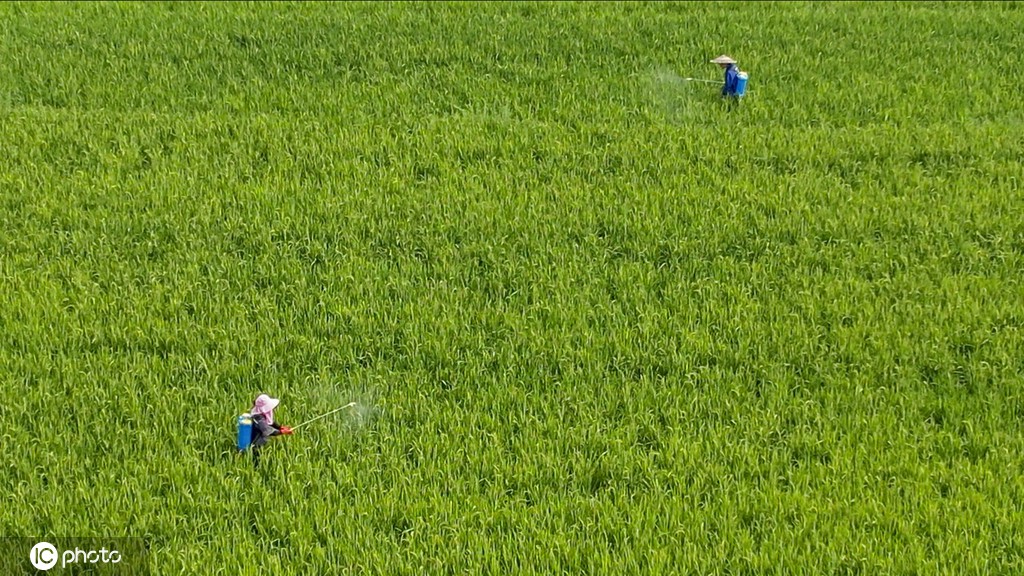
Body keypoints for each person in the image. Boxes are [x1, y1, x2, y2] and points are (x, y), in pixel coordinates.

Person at [249, 393, 292, 468]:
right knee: (256, 458)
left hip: (258, 440)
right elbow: (267, 430)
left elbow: (270, 422)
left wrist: (280, 427)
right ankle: (256, 467)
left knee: (259, 453)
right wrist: (281, 432)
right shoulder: (258, 418)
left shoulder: (261, 414)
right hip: (255, 443)